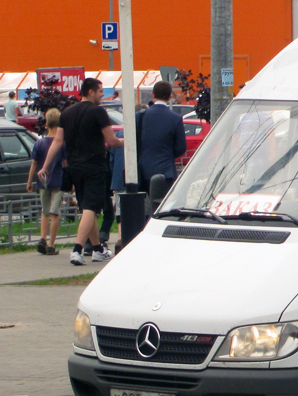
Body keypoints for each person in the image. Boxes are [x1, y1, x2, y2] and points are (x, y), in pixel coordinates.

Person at [38, 78, 124, 266]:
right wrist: (127, 142)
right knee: (91, 208)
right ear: (91, 92)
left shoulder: (67, 113)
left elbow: (58, 141)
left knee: (87, 207)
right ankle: (77, 249)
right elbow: (111, 140)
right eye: (100, 91)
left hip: (74, 168)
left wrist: (45, 166)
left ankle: (97, 249)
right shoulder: (98, 112)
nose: (103, 94)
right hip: (94, 166)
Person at [136, 81, 187, 209]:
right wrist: (169, 155)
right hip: (166, 172)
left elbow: (135, 142)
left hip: (143, 171)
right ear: (170, 96)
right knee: (164, 208)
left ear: (152, 94)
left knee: (144, 209)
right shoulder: (175, 118)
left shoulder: (140, 116)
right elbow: (181, 147)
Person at [26, 108, 65, 255]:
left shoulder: (39, 143)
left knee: (45, 211)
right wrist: (71, 183)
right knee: (55, 213)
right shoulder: (61, 143)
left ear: (46, 125)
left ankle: (42, 238)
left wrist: (30, 181)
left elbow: (34, 164)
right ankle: (51, 245)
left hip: (43, 181)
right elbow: (66, 163)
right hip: (58, 180)